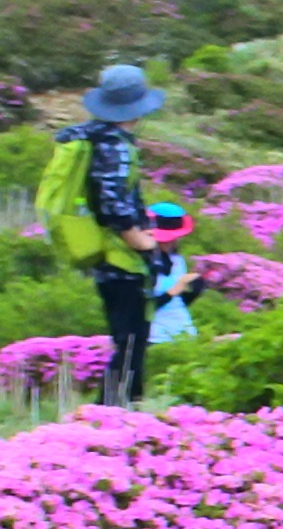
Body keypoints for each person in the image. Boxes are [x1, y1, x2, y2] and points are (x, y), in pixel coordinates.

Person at [39, 63, 187, 405]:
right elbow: (114, 204)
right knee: (132, 341)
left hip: (104, 258)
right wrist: (146, 244)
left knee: (128, 338)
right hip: (121, 259)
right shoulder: (114, 147)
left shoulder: (89, 136)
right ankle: (110, 413)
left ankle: (119, 411)